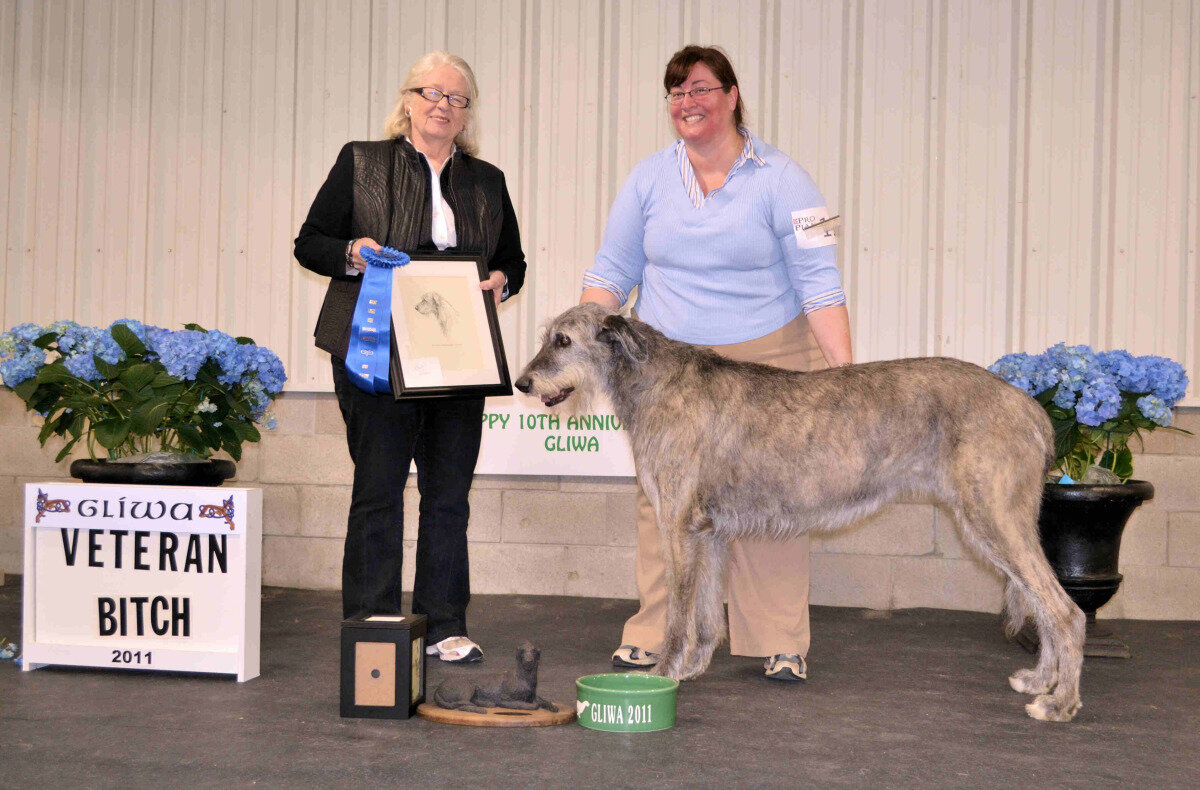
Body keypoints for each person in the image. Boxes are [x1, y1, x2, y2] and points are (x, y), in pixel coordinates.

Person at [580, 45, 852, 681]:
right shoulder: (648, 179)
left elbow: (820, 282)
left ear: (732, 96)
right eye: (676, 93)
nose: (688, 103)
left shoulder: (786, 178)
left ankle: (778, 640)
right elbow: (612, 273)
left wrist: (844, 380)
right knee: (664, 501)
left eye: (700, 89)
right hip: (668, 366)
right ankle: (658, 631)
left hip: (769, 356)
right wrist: (580, 339)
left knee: (774, 495)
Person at [294, 51, 526, 663]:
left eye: (457, 98)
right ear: (408, 100)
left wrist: (500, 280)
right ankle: (371, 620)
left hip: (459, 354)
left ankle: (445, 623)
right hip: (374, 350)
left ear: (467, 112)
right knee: (378, 489)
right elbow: (310, 242)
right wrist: (353, 252)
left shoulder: (488, 180)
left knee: (449, 494)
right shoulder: (361, 161)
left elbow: (514, 262)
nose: (443, 106)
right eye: (432, 93)